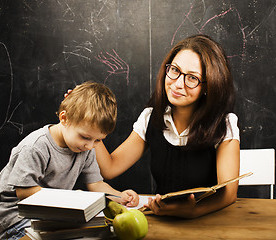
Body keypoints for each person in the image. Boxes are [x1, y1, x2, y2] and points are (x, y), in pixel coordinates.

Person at [94, 34, 240, 218]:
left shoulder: (224, 124)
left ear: (208, 86)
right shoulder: (151, 117)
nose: (178, 84)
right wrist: (86, 122)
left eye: (192, 78)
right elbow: (110, 168)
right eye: (175, 70)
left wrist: (194, 211)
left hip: (207, 222)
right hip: (161, 220)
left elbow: (229, 193)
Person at [0, 82, 139, 240]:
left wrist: (120, 196)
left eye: (98, 141)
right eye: (85, 137)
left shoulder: (85, 149)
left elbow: (96, 184)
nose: (90, 145)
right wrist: (72, 198)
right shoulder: (36, 147)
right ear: (64, 119)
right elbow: (24, 192)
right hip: (14, 215)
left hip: (49, 213)